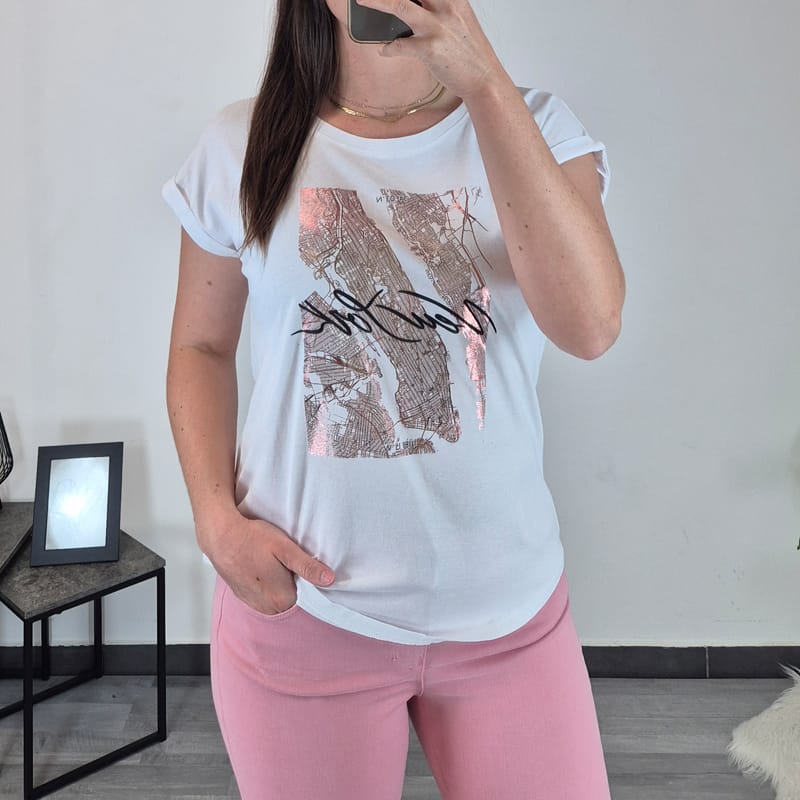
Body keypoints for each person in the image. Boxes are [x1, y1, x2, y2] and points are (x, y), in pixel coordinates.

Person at [162, 0, 625, 797]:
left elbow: (590, 327)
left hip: (510, 619)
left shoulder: (538, 127)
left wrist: (483, 83)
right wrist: (214, 521)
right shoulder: (242, 142)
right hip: (308, 612)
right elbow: (200, 347)